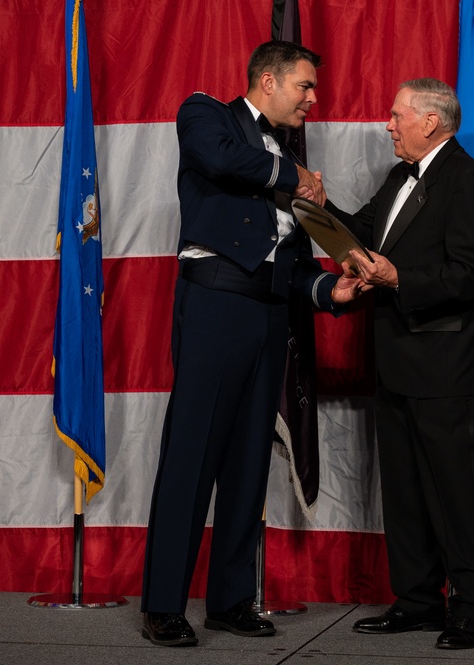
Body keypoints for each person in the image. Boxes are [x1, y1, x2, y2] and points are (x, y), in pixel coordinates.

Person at [141, 40, 363, 648]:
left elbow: (291, 268)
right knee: (192, 456)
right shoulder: (207, 113)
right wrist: (297, 178)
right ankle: (163, 604)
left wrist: (328, 292)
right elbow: (219, 159)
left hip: (268, 314)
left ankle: (231, 599)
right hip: (215, 303)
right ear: (268, 80)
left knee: (247, 461)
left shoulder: (288, 158)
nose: (314, 99)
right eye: (305, 86)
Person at [326, 78, 474, 650]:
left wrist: (399, 278)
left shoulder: (467, 181)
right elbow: (359, 233)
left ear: (430, 121)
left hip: (451, 369)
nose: (388, 124)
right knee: (403, 492)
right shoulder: (400, 177)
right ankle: (419, 601)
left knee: (456, 495)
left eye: (397, 114)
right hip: (398, 362)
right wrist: (313, 204)